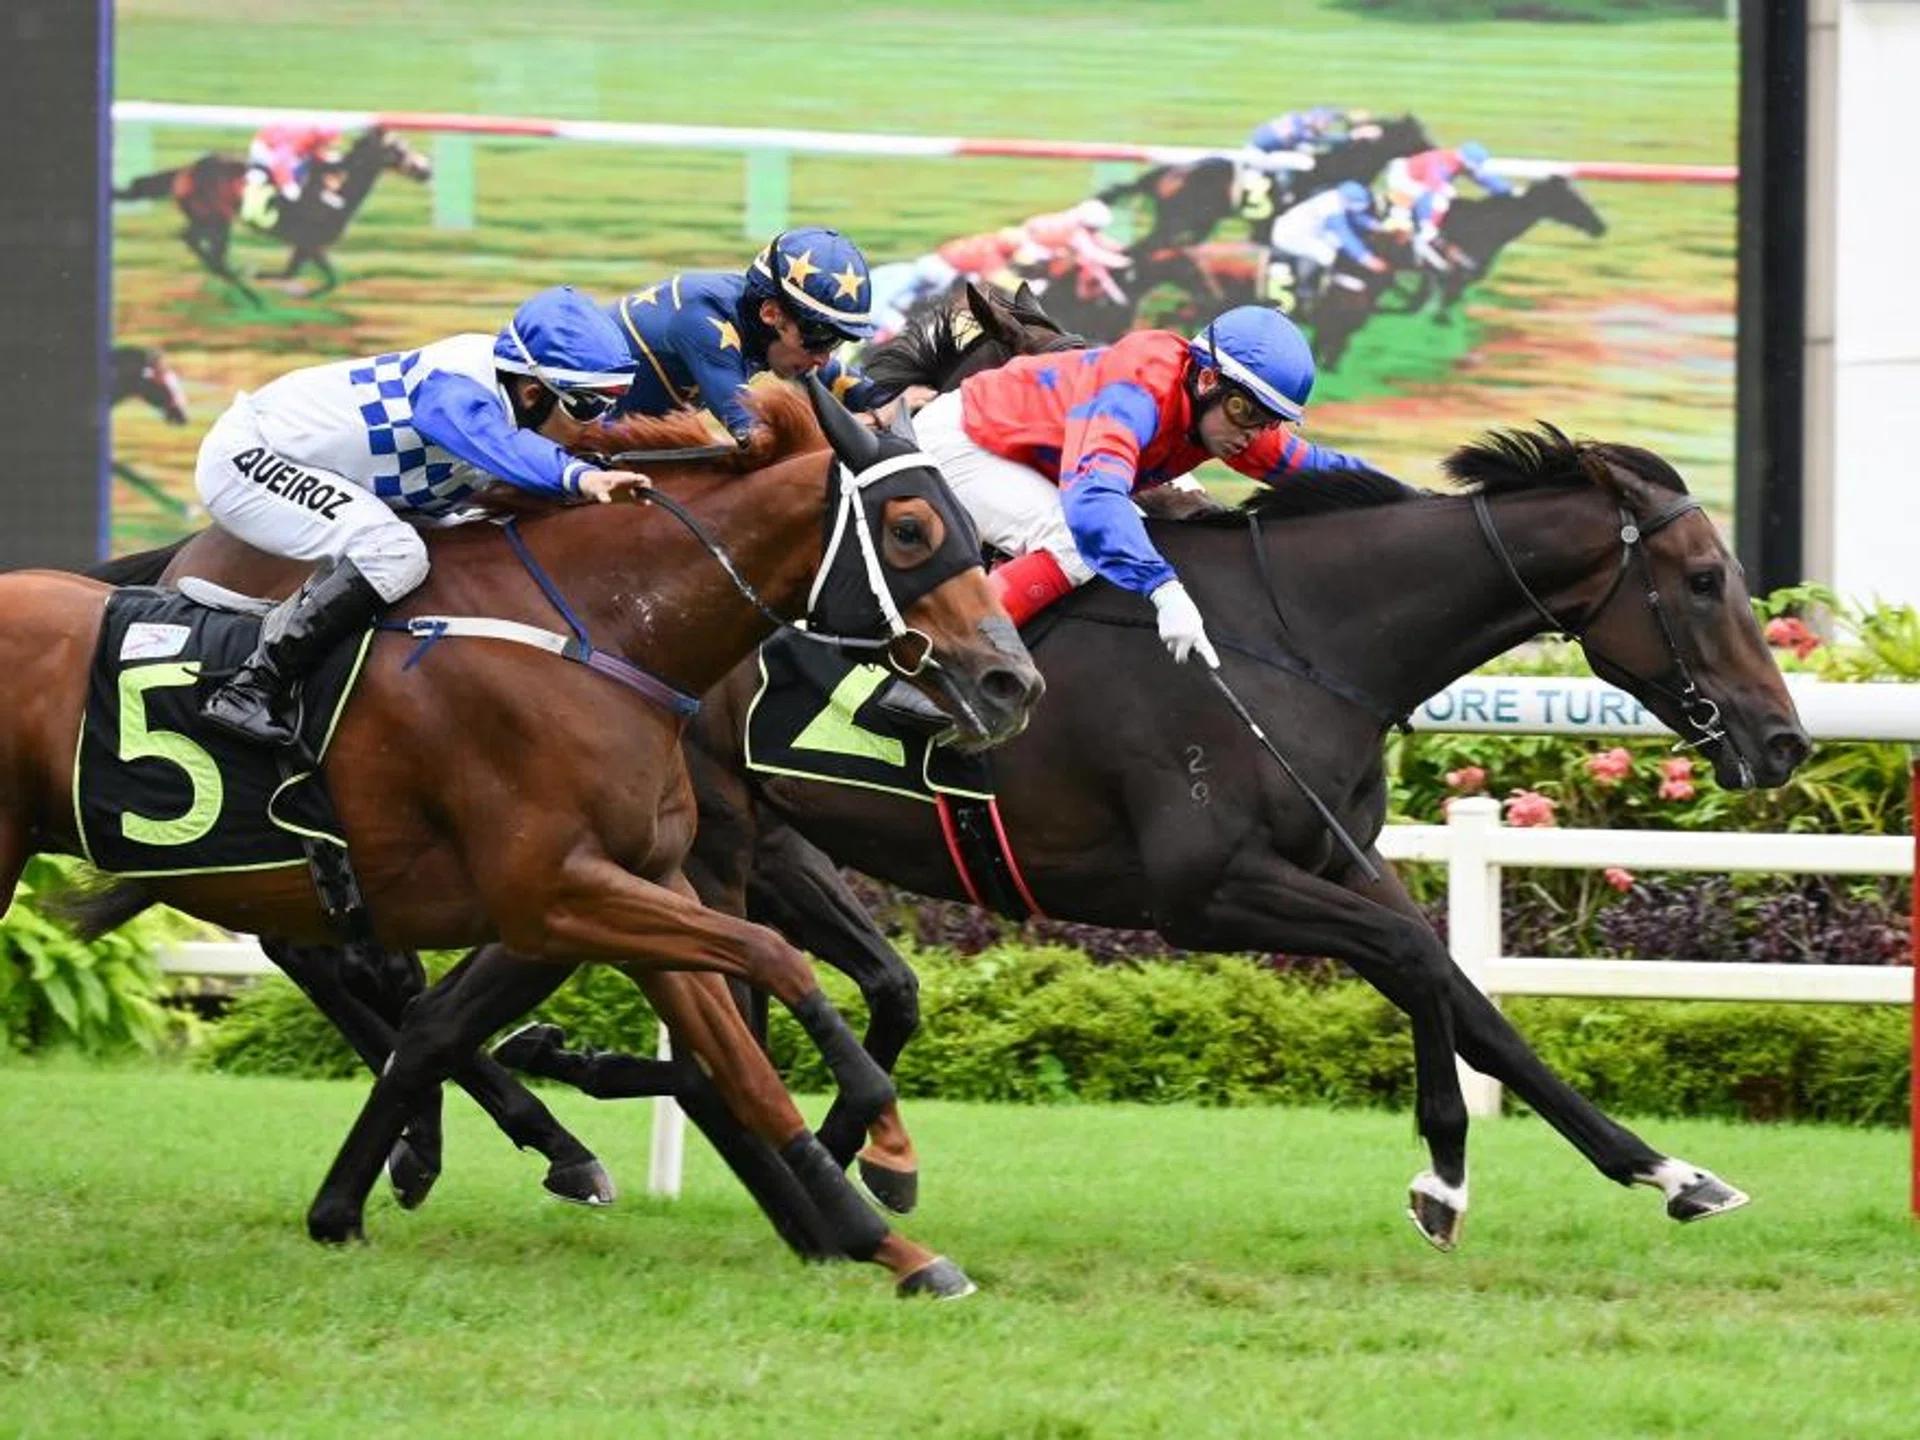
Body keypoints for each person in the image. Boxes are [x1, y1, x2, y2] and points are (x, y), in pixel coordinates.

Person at [879, 304, 1383, 723]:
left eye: (1268, 420)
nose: (1253, 433)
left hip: (1022, 456)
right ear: (1207, 379)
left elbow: (1318, 469)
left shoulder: (1224, 415)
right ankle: (934, 673)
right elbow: (1094, 498)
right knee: (1076, 540)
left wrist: (1409, 498)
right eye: (1245, 413)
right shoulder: (1139, 387)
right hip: (966, 441)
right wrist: (1163, 589)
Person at [195, 286, 645, 746]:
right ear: (532, 393)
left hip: (341, 476)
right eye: (587, 406)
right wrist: (579, 477)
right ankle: (251, 687)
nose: (598, 422)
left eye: (610, 403)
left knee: (474, 551)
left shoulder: (513, 406)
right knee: (395, 553)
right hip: (253, 458)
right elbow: (490, 439)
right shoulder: (455, 382)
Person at [606, 227, 886, 444]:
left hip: (618, 438)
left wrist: (902, 401)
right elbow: (760, 437)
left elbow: (869, 393)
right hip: (573, 439)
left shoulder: (778, 336)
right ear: (771, 313)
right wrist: (868, 422)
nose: (824, 357)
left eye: (835, 340)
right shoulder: (703, 320)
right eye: (820, 336)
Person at [1382, 140, 1513, 268]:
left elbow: (1480, 176)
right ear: (1462, 160)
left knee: (1444, 194)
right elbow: (1430, 191)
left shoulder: (1460, 161)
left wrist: (1506, 190)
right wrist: (1427, 221)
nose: (1468, 170)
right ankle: (1425, 231)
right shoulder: (1441, 163)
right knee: (1442, 196)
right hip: (1403, 177)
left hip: (1422, 178)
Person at [1264, 181, 1390, 311]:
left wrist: (1377, 226)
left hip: (1305, 232)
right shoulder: (1331, 207)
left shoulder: (1337, 197)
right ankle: (1315, 290)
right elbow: (1345, 235)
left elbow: (1354, 216)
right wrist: (1367, 260)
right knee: (1327, 254)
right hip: (1290, 237)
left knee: (1332, 244)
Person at [241, 122, 344, 227]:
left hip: (287, 146)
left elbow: (314, 149)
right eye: (327, 144)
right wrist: (287, 184)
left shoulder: (313, 137)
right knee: (261, 178)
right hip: (267, 148)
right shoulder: (297, 141)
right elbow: (280, 163)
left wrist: (324, 156)